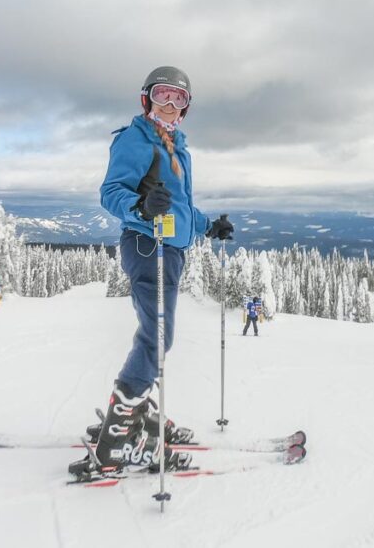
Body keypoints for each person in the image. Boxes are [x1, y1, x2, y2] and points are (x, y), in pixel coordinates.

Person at [70, 66, 234, 478]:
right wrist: (140, 207)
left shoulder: (178, 148)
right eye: (164, 94)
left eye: (180, 99)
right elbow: (111, 192)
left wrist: (209, 225)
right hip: (147, 246)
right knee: (157, 336)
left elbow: (176, 206)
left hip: (172, 250)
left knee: (157, 336)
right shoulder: (136, 138)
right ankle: (117, 437)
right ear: (146, 99)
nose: (171, 105)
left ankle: (135, 415)